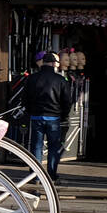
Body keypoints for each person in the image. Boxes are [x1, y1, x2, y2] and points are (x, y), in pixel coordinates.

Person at [23, 50, 75, 182]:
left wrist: (30, 112)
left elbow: (25, 99)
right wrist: (63, 115)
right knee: (53, 147)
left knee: (36, 147)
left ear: (43, 63)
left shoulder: (32, 78)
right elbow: (67, 101)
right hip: (54, 118)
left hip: (36, 117)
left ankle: (35, 176)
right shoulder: (61, 80)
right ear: (53, 63)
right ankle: (51, 175)